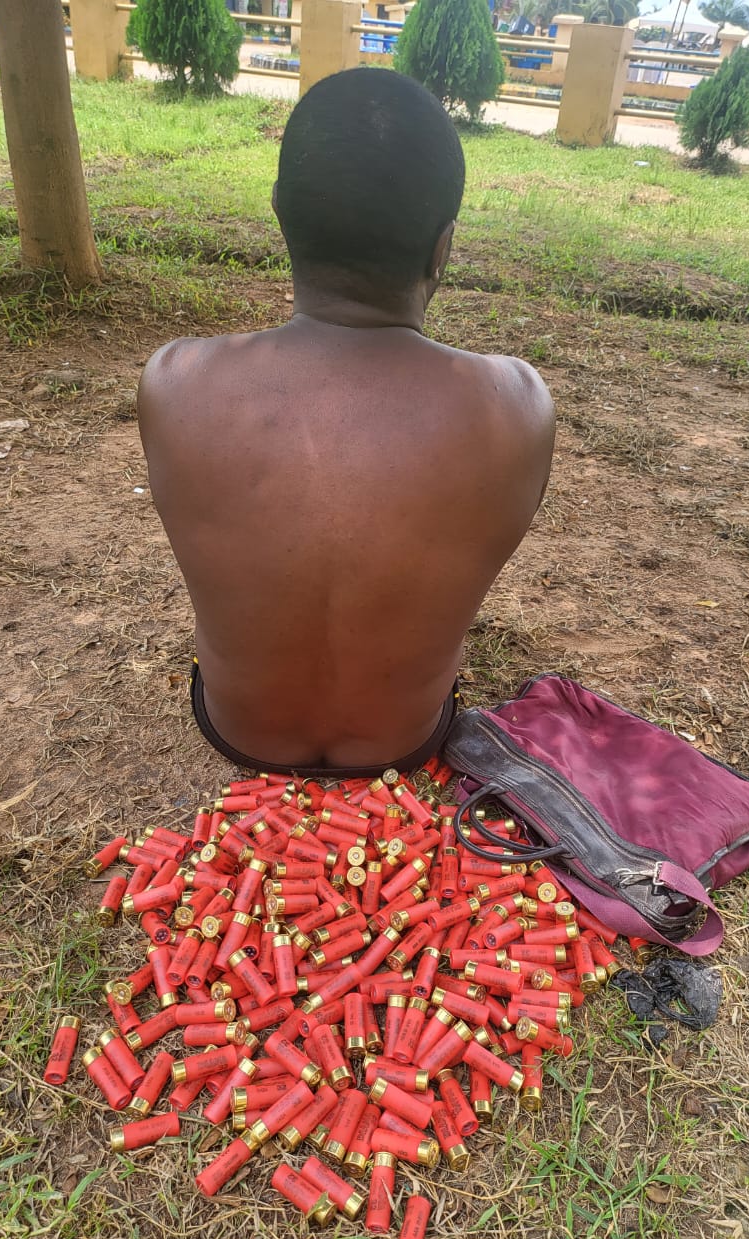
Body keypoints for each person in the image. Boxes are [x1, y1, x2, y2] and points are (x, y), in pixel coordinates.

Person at [137, 67, 555, 777]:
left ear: (280, 214)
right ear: (442, 248)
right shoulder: (518, 404)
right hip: (406, 741)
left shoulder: (174, 381)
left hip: (237, 729)